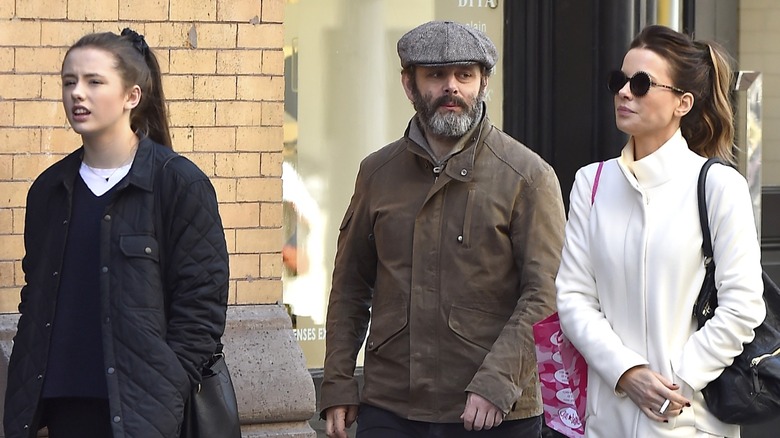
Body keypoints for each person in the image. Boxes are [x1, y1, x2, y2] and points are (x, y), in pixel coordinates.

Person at [320, 20, 566, 438]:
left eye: (464, 75)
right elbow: (350, 286)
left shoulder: (528, 175)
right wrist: (339, 381)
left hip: (494, 412)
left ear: (483, 83)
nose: (451, 87)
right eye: (435, 75)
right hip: (391, 406)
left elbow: (547, 294)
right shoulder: (377, 173)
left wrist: (497, 383)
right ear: (409, 85)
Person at [3, 29, 229, 438]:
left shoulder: (177, 183)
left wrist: (167, 388)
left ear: (132, 96)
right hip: (58, 410)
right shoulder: (50, 190)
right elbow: (36, 300)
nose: (77, 94)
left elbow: (200, 308)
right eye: (69, 82)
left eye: (94, 81)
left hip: (144, 415)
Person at [556, 24, 766, 437]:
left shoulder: (719, 186)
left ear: (682, 103)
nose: (624, 93)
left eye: (641, 83)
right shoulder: (591, 183)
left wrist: (678, 381)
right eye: (620, 81)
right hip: (608, 419)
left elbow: (743, 306)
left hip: (689, 419)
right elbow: (574, 297)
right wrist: (627, 372)